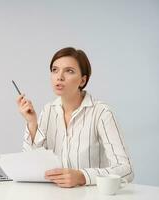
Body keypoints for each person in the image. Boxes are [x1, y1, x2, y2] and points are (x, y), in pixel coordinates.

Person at [16, 47, 134, 188]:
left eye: (69, 71)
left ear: (82, 81)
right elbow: (31, 164)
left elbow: (126, 170)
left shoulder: (101, 113)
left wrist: (83, 176)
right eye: (55, 70)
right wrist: (32, 123)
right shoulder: (48, 111)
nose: (59, 77)